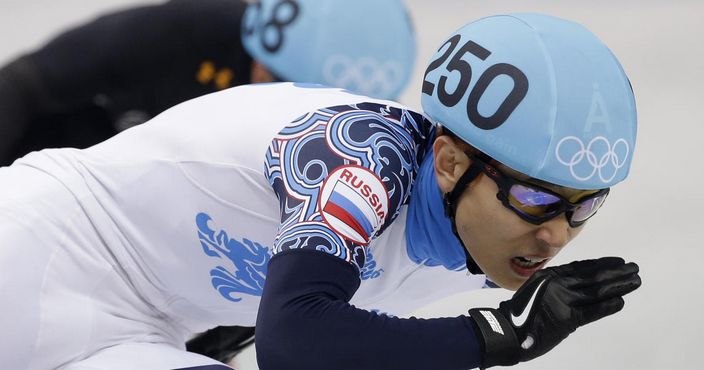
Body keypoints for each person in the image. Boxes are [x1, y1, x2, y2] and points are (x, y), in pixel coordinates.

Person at [0, 13, 641, 370]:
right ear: (449, 163)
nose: (556, 233)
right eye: (535, 199)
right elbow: (296, 342)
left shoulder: (490, 236)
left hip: (139, 331)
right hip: (33, 251)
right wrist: (499, 335)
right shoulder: (363, 154)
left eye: (585, 205)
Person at [0, 0, 416, 166]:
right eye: (271, 81)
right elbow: (22, 83)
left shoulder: (355, 139)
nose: (276, 105)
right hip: (58, 154)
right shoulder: (188, 33)